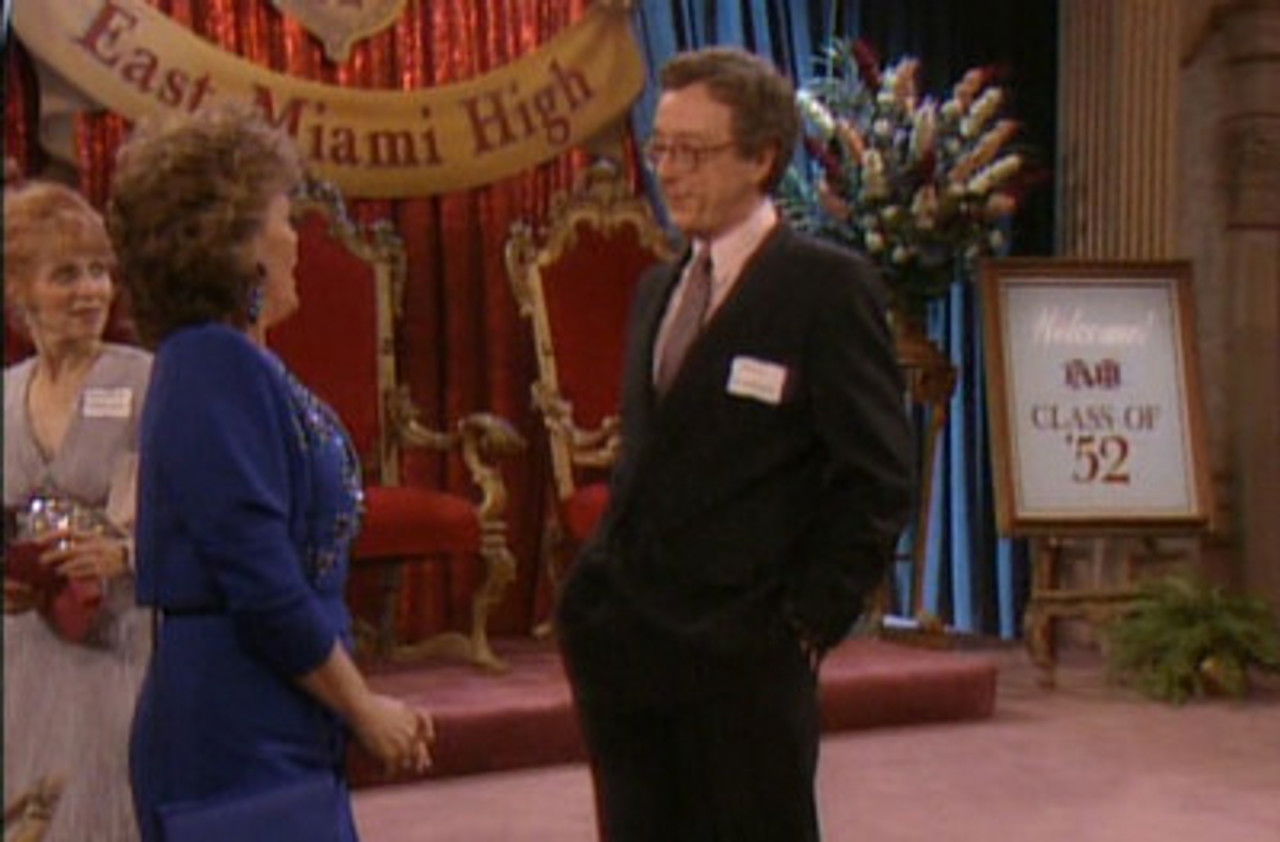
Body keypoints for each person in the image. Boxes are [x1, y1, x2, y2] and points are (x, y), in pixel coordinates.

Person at [556, 47, 916, 842]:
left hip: (744, 663)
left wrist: (804, 625)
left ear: (761, 158)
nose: (669, 172)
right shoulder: (658, 288)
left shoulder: (825, 288)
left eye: (694, 151)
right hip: (625, 647)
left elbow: (878, 476)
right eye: (661, 148)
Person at [107, 103, 433, 842]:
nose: (297, 240)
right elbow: (260, 580)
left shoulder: (239, 363)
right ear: (238, 244)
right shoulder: (210, 364)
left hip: (278, 708)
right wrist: (363, 708)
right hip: (236, 725)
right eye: (285, 219)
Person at [3, 178, 153, 840]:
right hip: (23, 652)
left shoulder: (147, 379)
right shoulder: (5, 395)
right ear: (19, 291)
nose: (91, 290)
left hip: (118, 644)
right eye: (66, 275)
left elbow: (193, 517)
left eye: (99, 271)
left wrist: (124, 555)